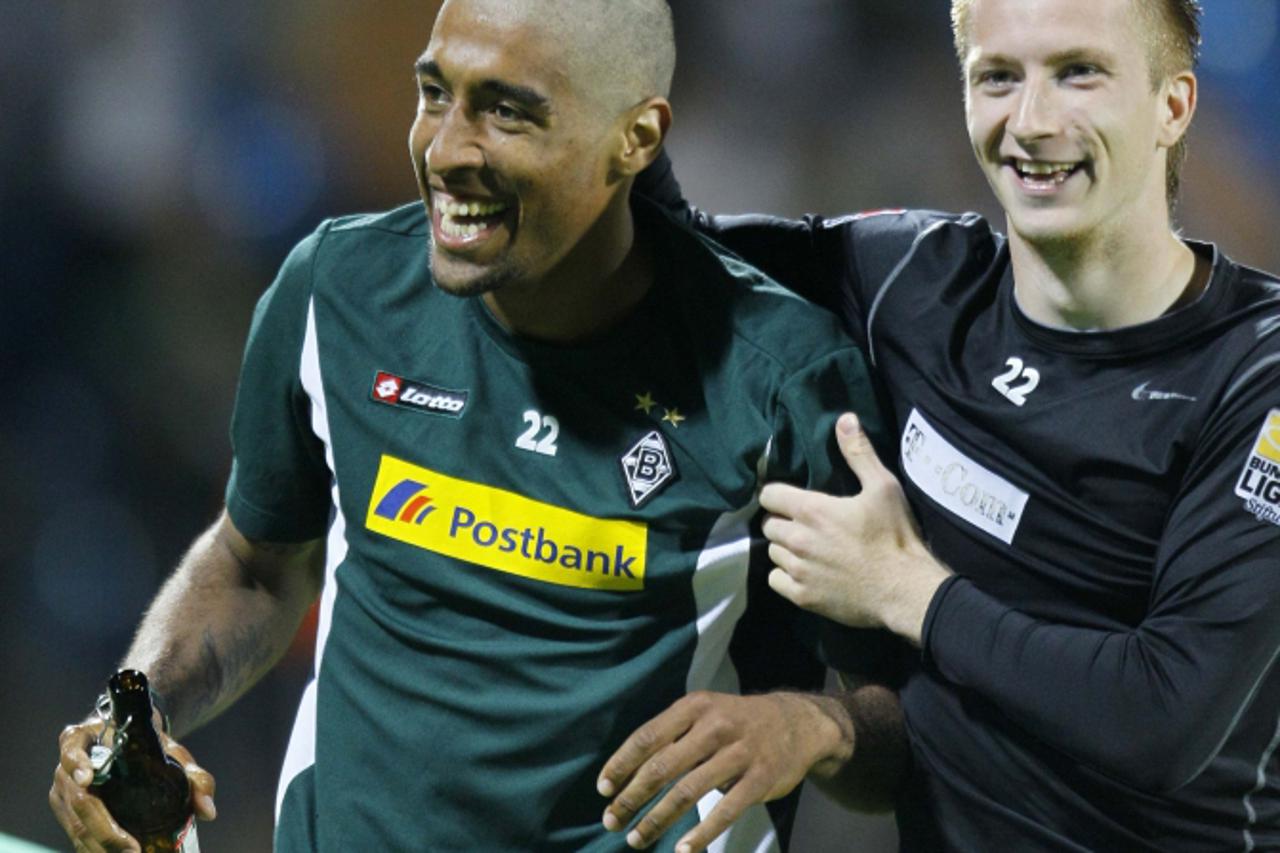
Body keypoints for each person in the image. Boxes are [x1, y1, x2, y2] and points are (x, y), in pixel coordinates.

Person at [48, 1, 904, 851]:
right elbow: (256, 563)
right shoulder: (337, 293)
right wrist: (135, 709)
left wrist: (817, 724)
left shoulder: (783, 377)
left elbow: (906, 730)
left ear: (636, 138)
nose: (446, 149)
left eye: (506, 112)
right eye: (434, 94)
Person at [632, 0, 1280, 848]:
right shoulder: (910, 281)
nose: (1033, 122)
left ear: (1174, 105)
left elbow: (1161, 720)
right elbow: (672, 252)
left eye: (1079, 73)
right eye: (998, 78)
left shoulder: (1255, 375)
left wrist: (902, 588)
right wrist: (613, 77)